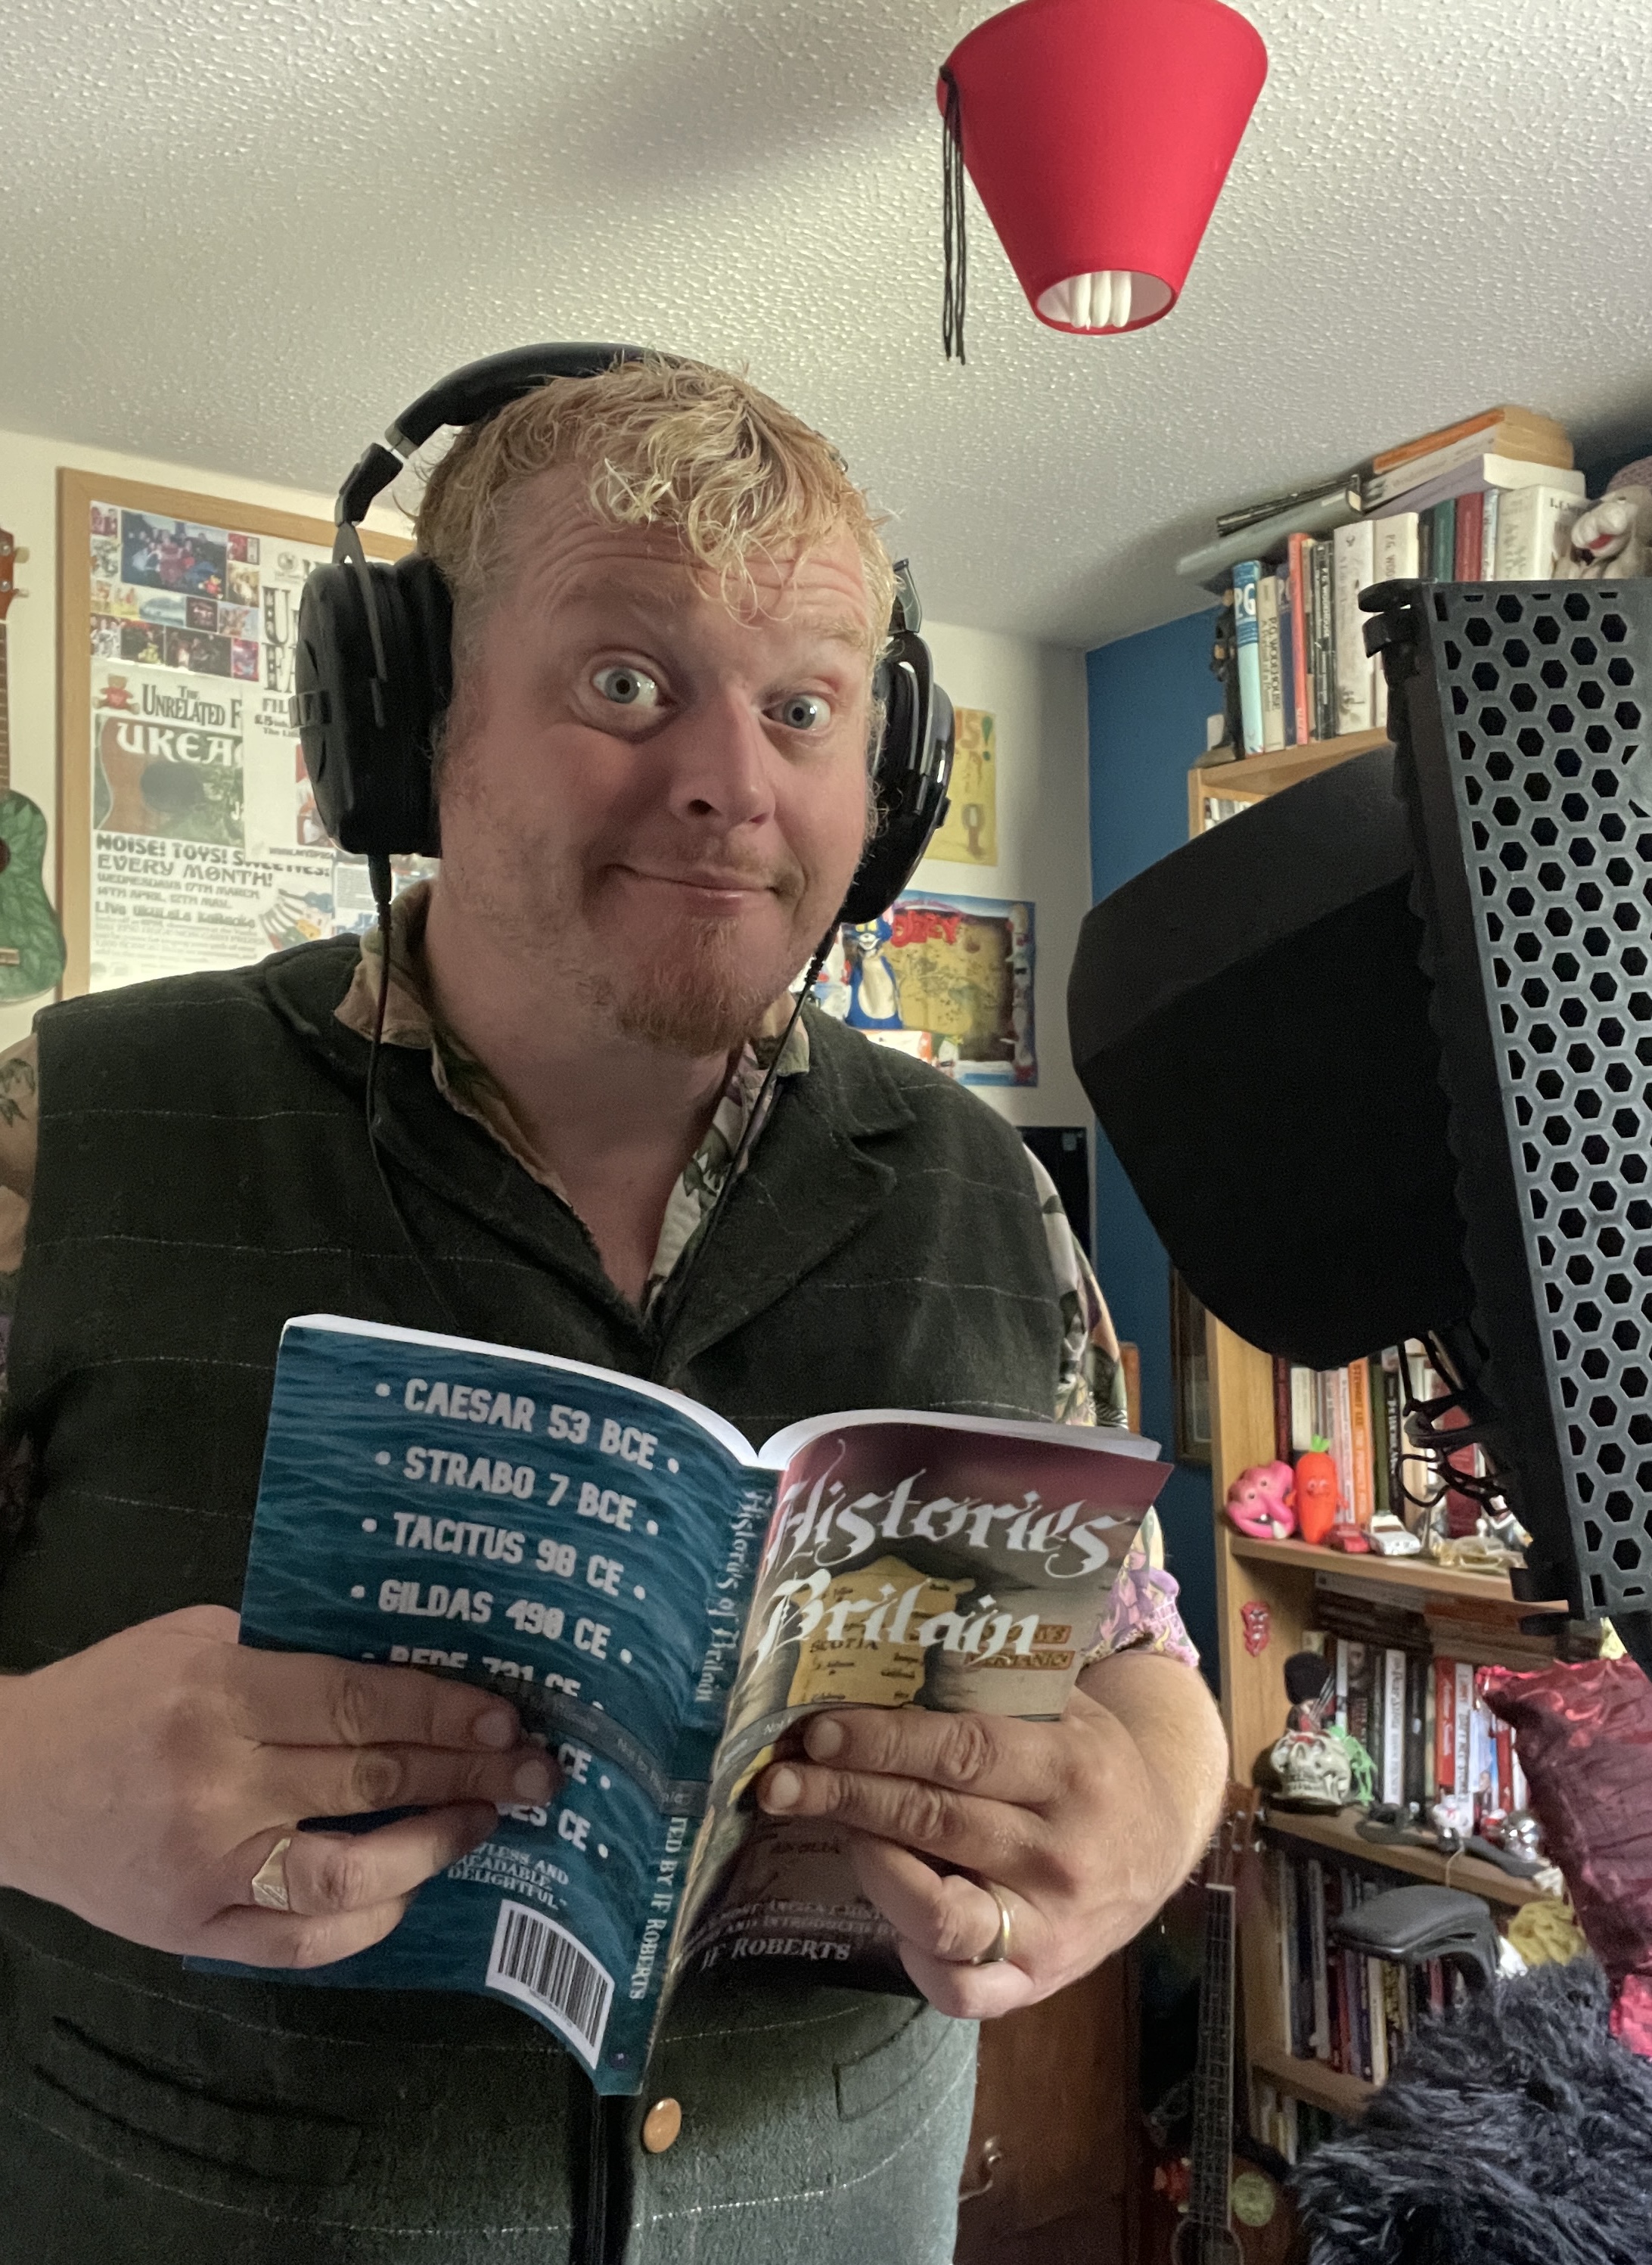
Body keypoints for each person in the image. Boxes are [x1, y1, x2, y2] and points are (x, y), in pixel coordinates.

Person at [0, 355, 1227, 2262]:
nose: (732, 779)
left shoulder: (987, 1187)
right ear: (414, 722)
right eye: (629, 683)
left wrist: (1146, 1808)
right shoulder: (63, 1131)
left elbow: (1139, 1651)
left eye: (804, 706)